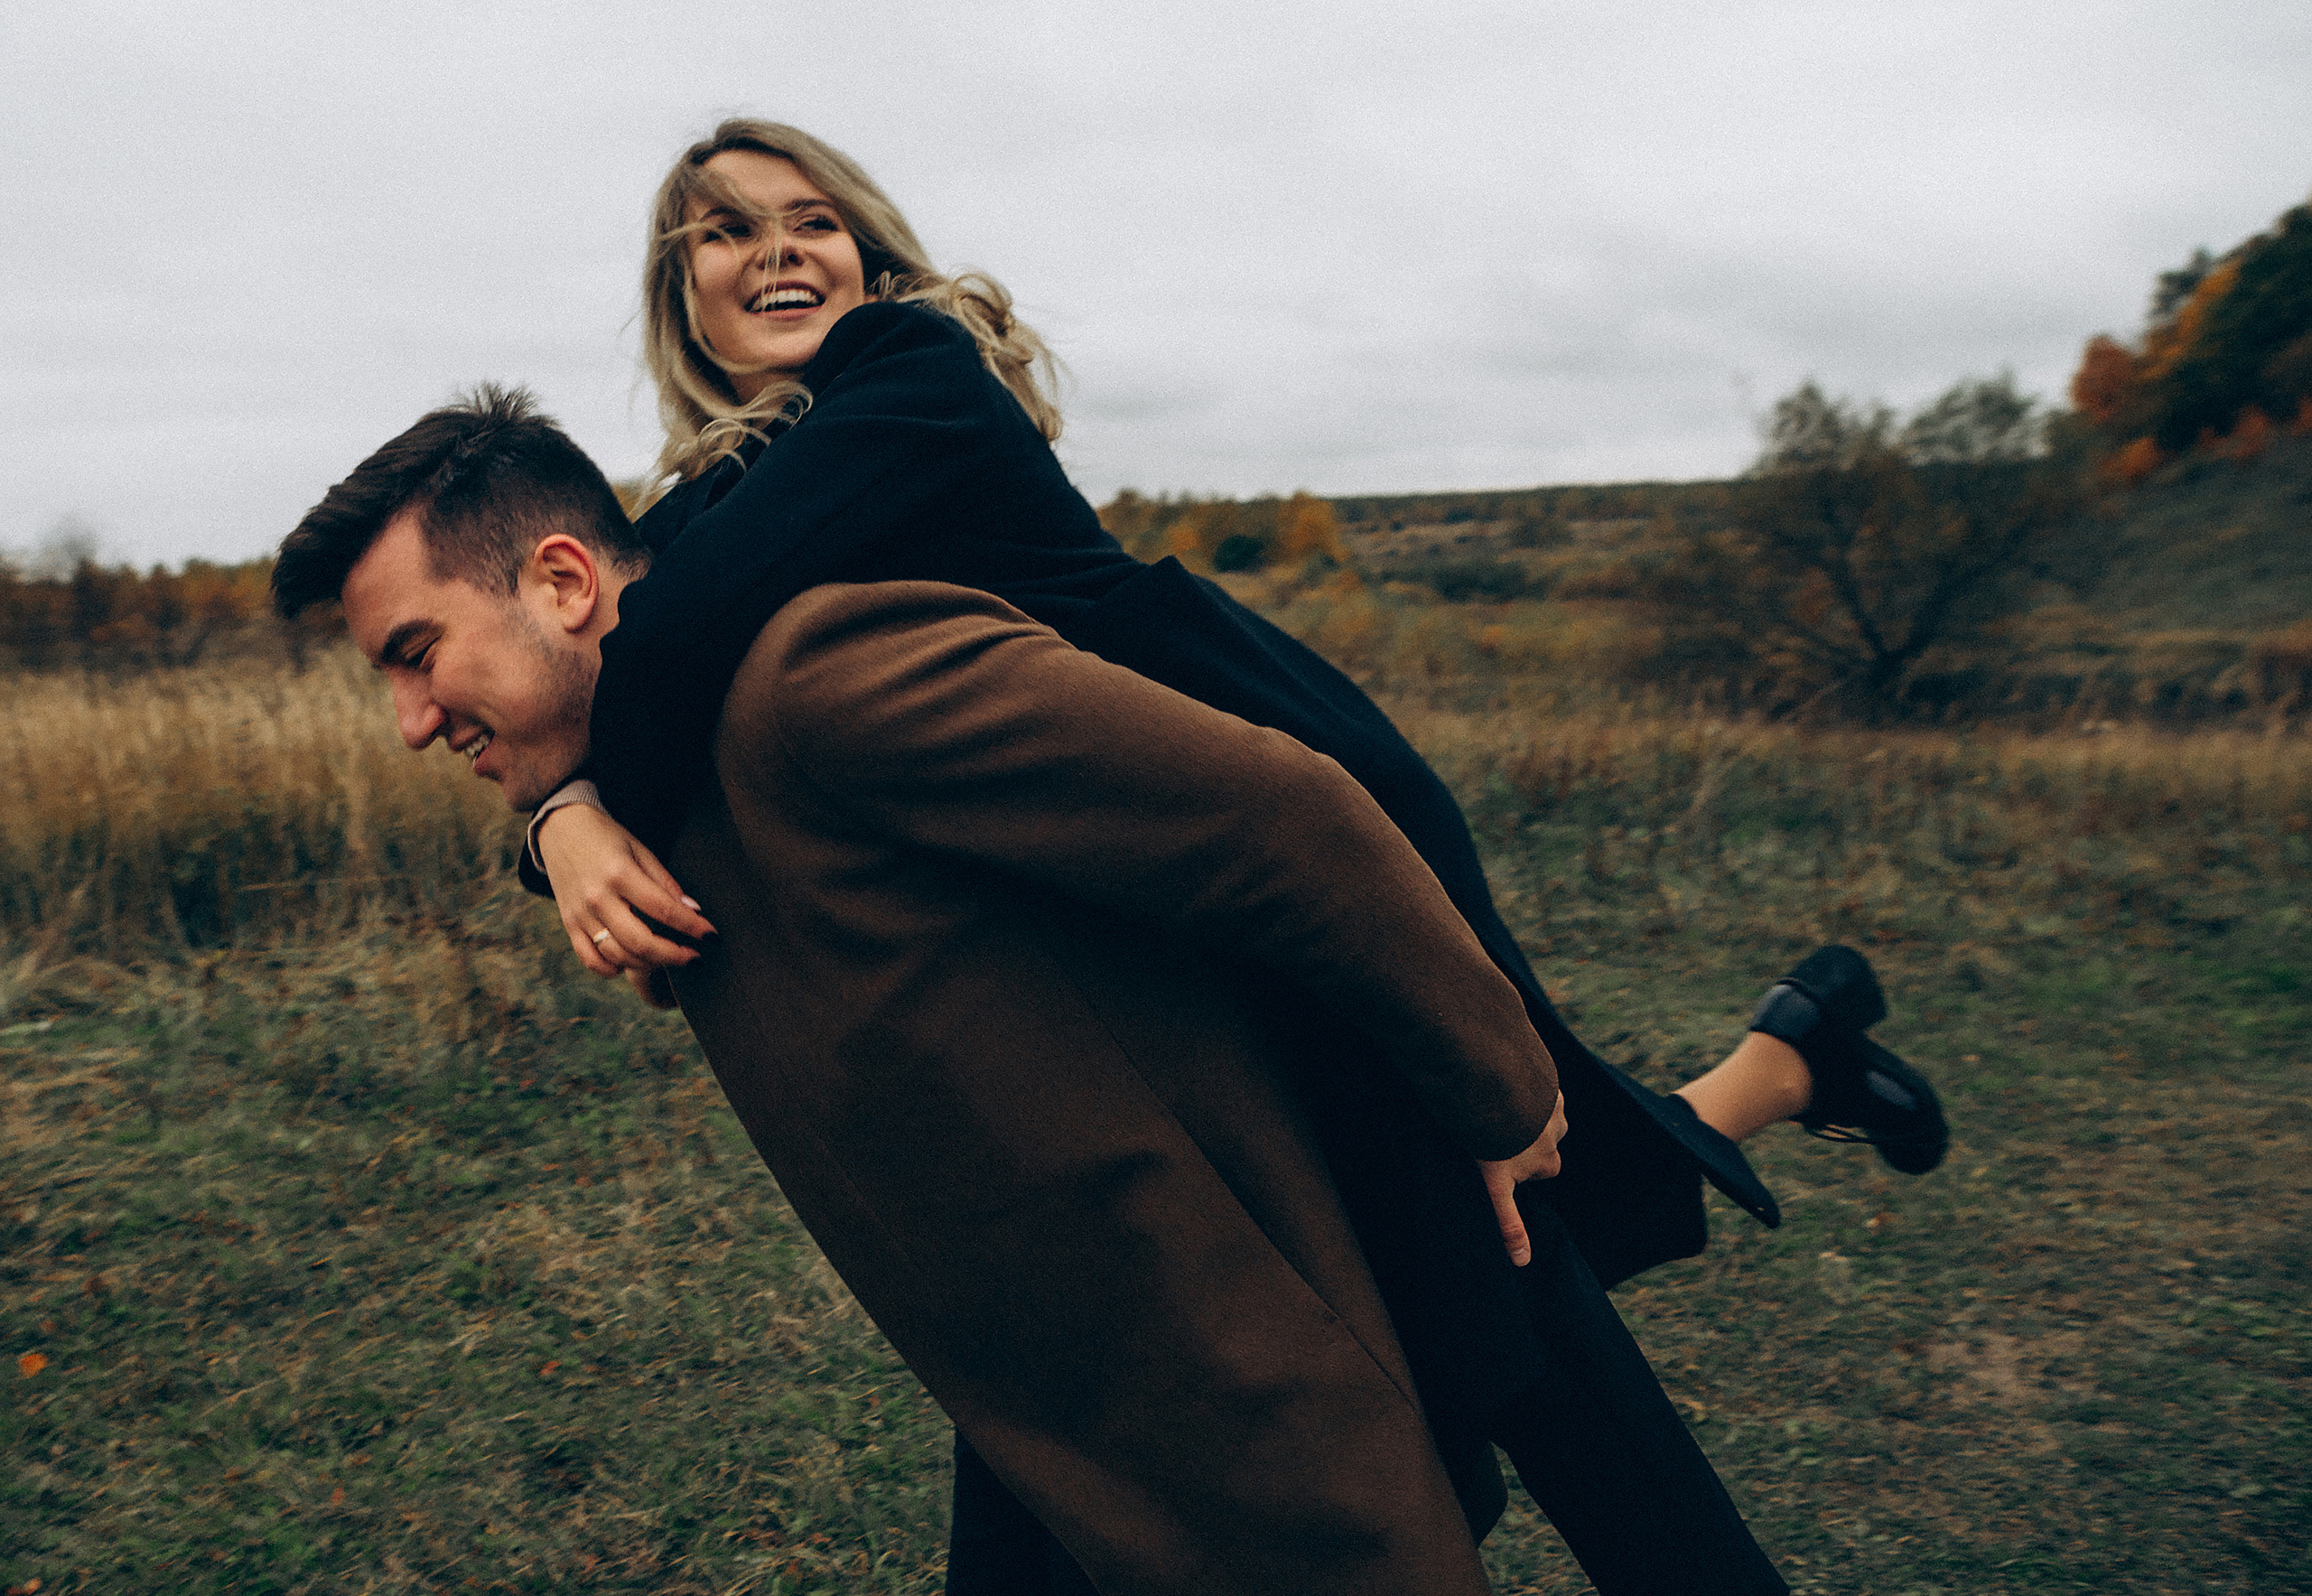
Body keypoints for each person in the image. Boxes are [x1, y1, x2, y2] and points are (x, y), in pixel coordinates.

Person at [505, 120, 1951, 1585]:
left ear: (868, 251)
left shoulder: (908, 372)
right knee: (1456, 1257)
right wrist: (558, 813)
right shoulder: (722, 492)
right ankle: (1792, 1059)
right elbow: (606, 670)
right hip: (1129, 915)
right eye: (727, 233)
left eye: (807, 221)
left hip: (1273, 836)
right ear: (678, 293)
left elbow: (663, 651)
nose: (774, 254)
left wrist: (566, 807)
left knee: (1506, 1274)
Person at [275, 390, 1800, 1592]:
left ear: (559, 580)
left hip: (1239, 1395)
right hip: (1058, 1425)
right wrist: (557, 816)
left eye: (419, 655)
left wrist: (1506, 1081)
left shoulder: (814, 676)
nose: (410, 722)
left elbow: (1283, 818)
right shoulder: (635, 805)